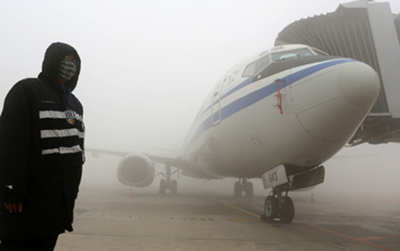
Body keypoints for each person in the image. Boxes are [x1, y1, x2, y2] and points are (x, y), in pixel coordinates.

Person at [0, 42, 85, 250]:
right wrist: (11, 190)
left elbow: (76, 153)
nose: (70, 64)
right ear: (52, 60)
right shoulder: (27, 90)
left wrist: (70, 195)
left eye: (74, 60)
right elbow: (10, 142)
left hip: (55, 205)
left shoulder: (74, 104)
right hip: (26, 203)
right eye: (66, 58)